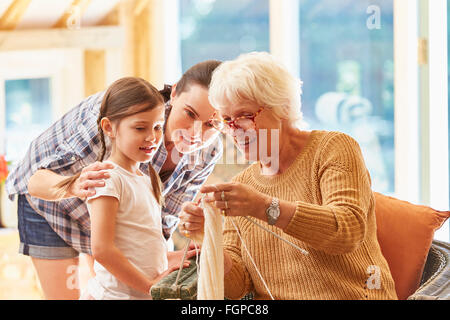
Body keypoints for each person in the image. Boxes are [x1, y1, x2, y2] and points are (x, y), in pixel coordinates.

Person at [179, 52, 398, 300]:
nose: (234, 130)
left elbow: (346, 231)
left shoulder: (333, 148)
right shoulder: (241, 187)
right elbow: (239, 285)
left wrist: (263, 206)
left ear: (282, 106)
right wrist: (211, 239)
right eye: (227, 120)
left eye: (245, 115)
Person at [5, 60, 223, 299]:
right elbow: (35, 182)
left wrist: (168, 260)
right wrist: (75, 185)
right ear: (175, 91)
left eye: (212, 124)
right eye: (189, 114)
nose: (194, 133)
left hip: (105, 218)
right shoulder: (116, 115)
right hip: (49, 204)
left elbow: (158, 224)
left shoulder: (207, 151)